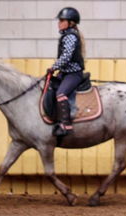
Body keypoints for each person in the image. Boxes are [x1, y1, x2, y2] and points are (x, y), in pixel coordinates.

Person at [47, 7, 86, 136]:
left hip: (73, 74)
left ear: (71, 22)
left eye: (62, 20)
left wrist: (54, 67)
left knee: (61, 93)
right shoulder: (67, 35)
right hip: (65, 73)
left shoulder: (70, 36)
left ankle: (66, 125)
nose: (59, 23)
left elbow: (66, 56)